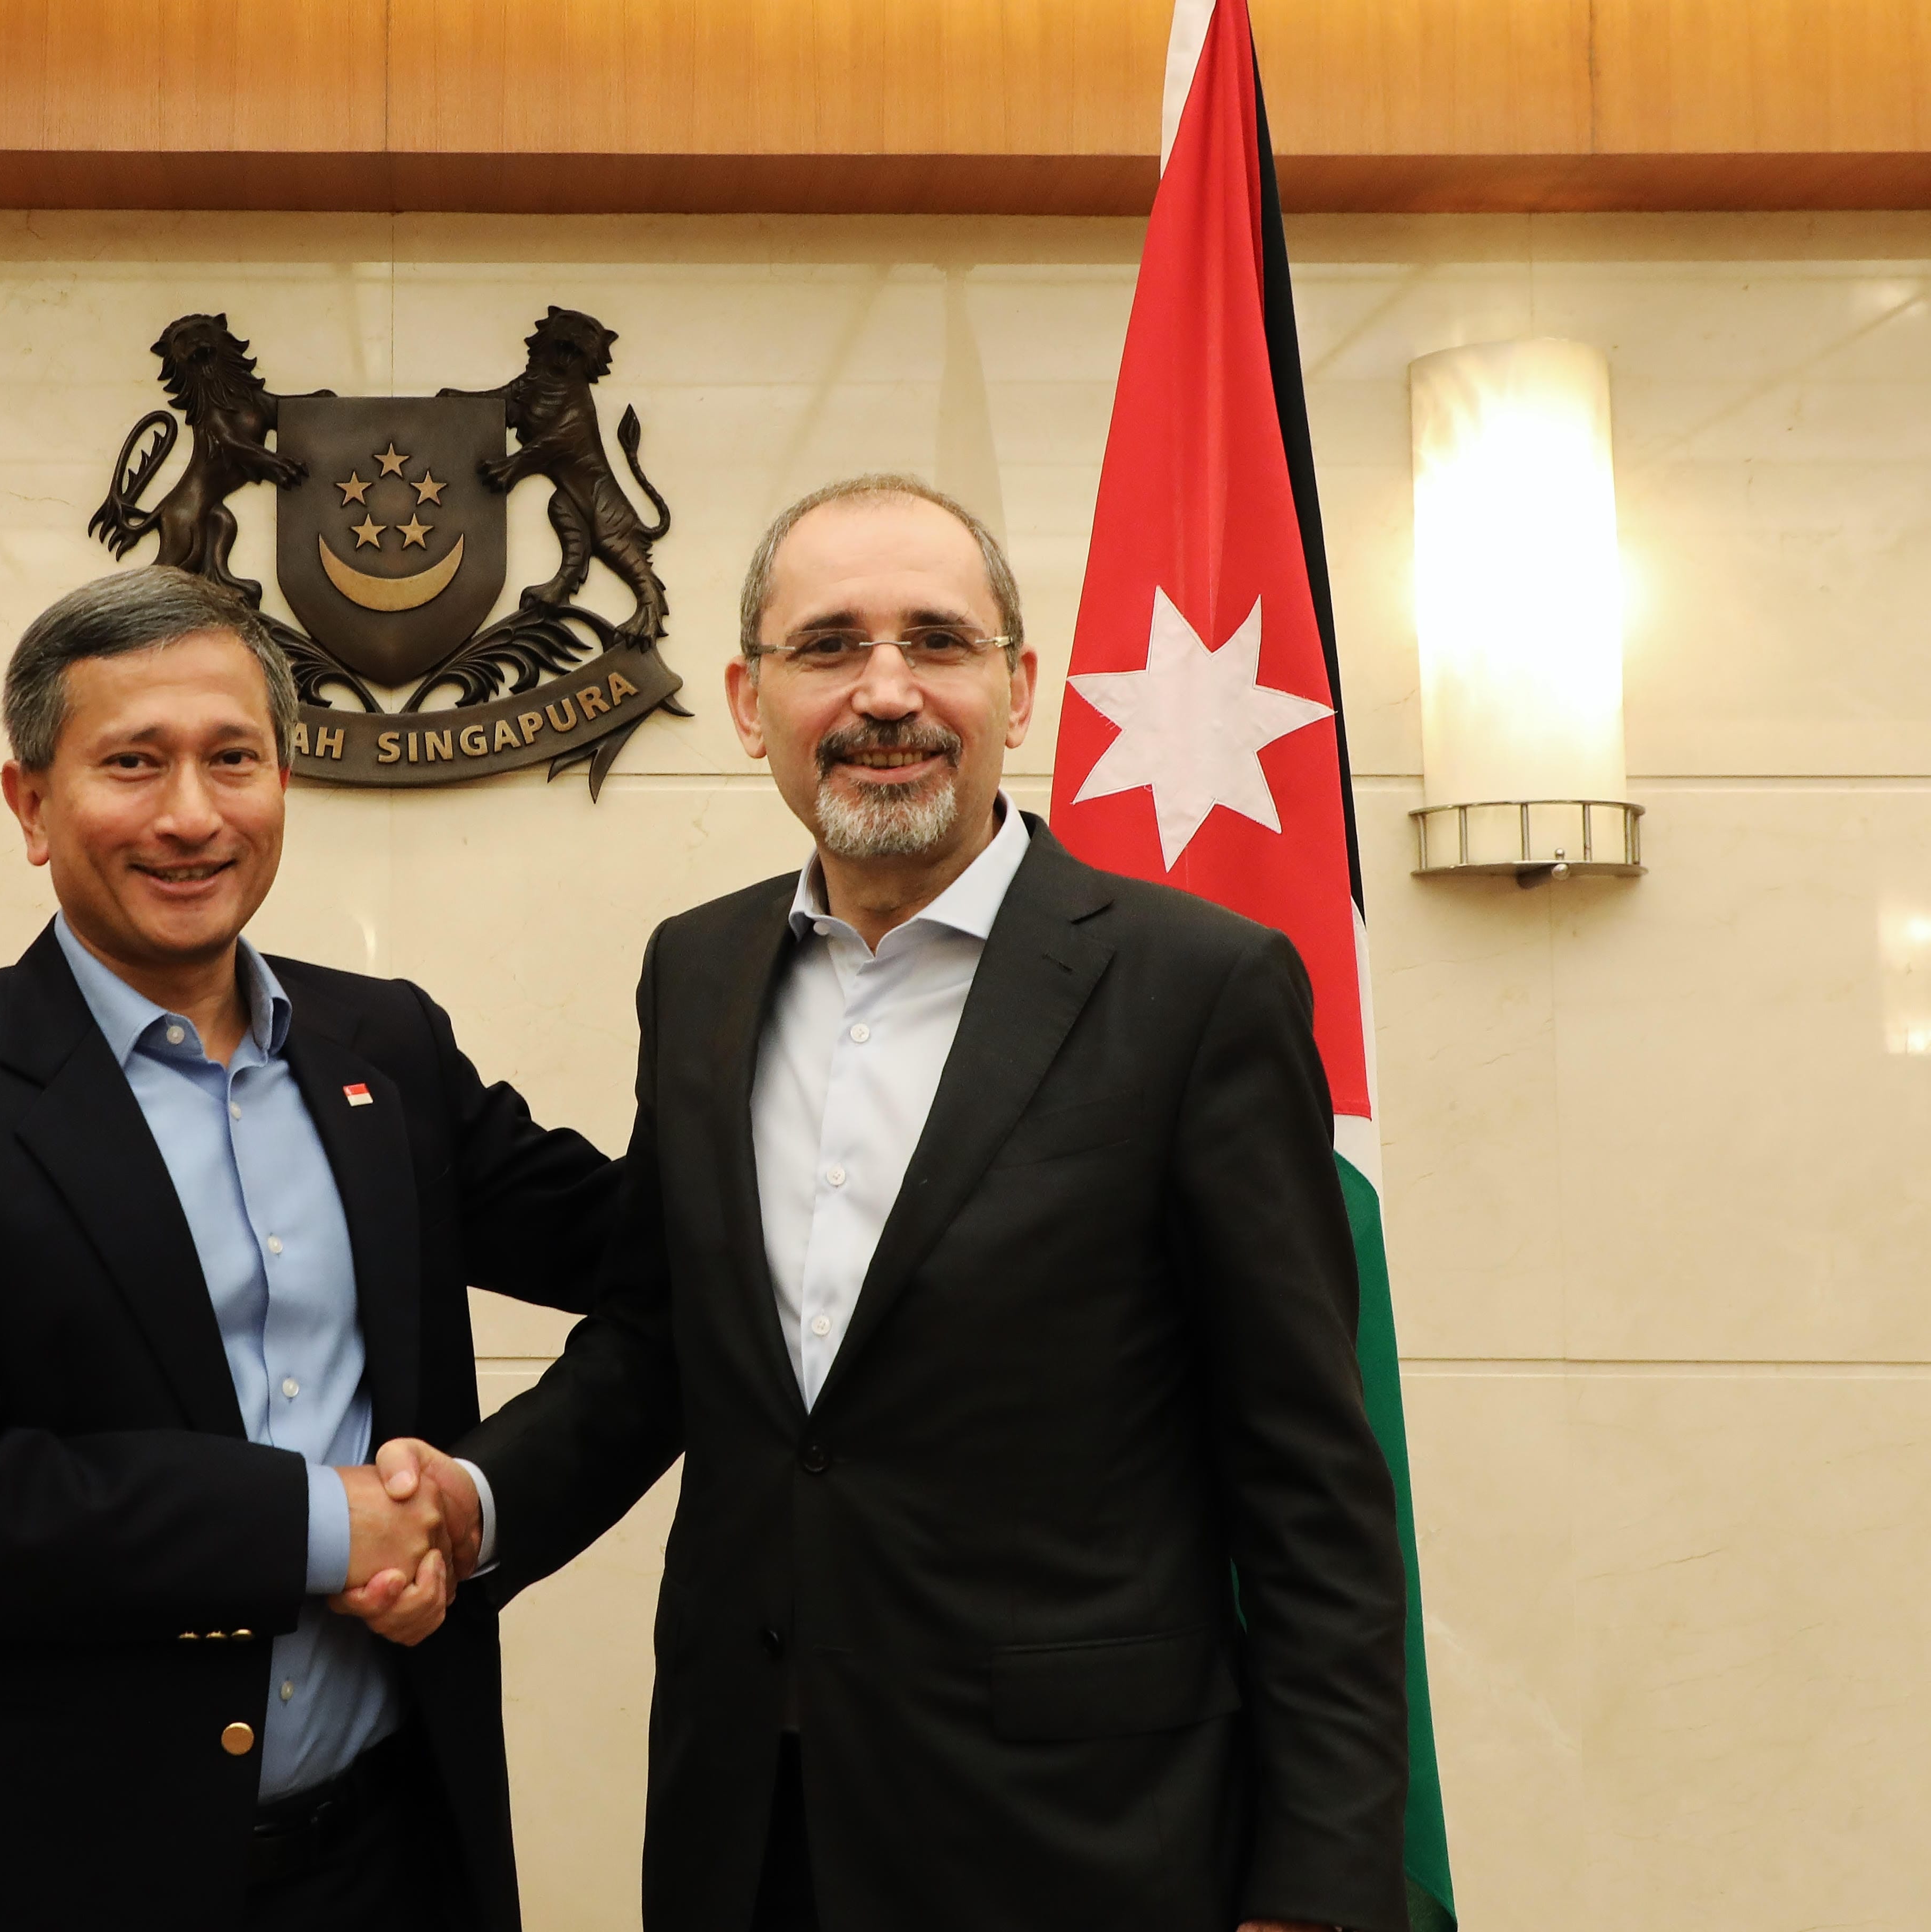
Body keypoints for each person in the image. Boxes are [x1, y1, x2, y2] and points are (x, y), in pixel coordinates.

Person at [396, 476, 1411, 1931]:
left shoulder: (1198, 988)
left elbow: (1307, 1484)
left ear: (1018, 686)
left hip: (1078, 1840)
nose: (884, 693)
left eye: (933, 641)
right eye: (827, 647)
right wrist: (469, 1505)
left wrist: (1314, 1883)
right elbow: (657, 1342)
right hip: (745, 1826)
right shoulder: (696, 973)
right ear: (749, 703)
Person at [0, 567, 615, 1931]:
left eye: (233, 759)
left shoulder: (388, 1051)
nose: (191, 815)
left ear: (284, 779)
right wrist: (314, 1525)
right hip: (60, 1881)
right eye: (132, 763)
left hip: (392, 1863)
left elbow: (647, 1252)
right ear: (31, 804)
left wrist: (471, 1498)